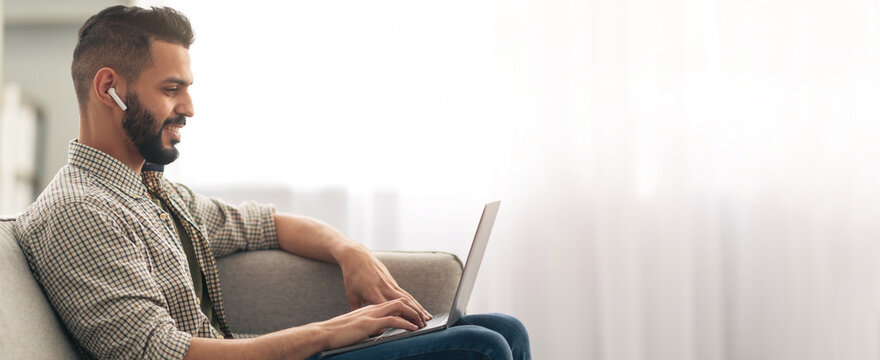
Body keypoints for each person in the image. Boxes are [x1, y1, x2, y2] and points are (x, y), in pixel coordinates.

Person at [14, 5, 530, 360]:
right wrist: (330, 333)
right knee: (484, 348)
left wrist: (350, 251)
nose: (189, 108)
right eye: (172, 89)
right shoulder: (82, 210)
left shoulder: (150, 189)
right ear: (110, 88)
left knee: (504, 328)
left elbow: (266, 226)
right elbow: (162, 355)